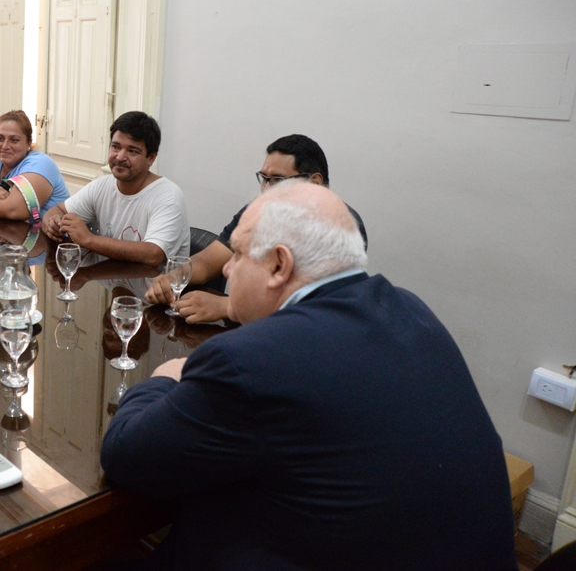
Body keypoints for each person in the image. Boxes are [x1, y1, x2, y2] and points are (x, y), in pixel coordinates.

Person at [101, 181, 517, 570]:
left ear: (279, 265)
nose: (227, 271)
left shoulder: (251, 361)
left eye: (239, 255)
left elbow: (126, 455)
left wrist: (165, 378)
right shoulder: (411, 309)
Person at [145, 133, 366, 322]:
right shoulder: (258, 211)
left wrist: (228, 307)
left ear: (314, 182)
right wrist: (175, 276)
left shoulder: (338, 226)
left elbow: (314, 307)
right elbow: (208, 261)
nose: (267, 189)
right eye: (264, 178)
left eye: (277, 179)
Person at [42, 111, 189, 266]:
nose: (119, 157)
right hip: (106, 278)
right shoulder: (102, 186)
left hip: (155, 281)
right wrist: (53, 223)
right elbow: (58, 210)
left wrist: (89, 239)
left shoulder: (168, 197)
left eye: (132, 151)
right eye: (115, 147)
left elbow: (153, 254)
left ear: (151, 158)